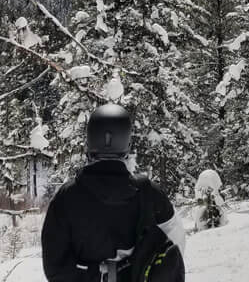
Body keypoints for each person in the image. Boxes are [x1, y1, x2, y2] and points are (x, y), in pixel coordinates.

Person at [42, 103, 186, 282]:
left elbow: (54, 267)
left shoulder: (66, 198)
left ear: (89, 142)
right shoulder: (150, 193)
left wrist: (97, 273)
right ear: (128, 143)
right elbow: (174, 251)